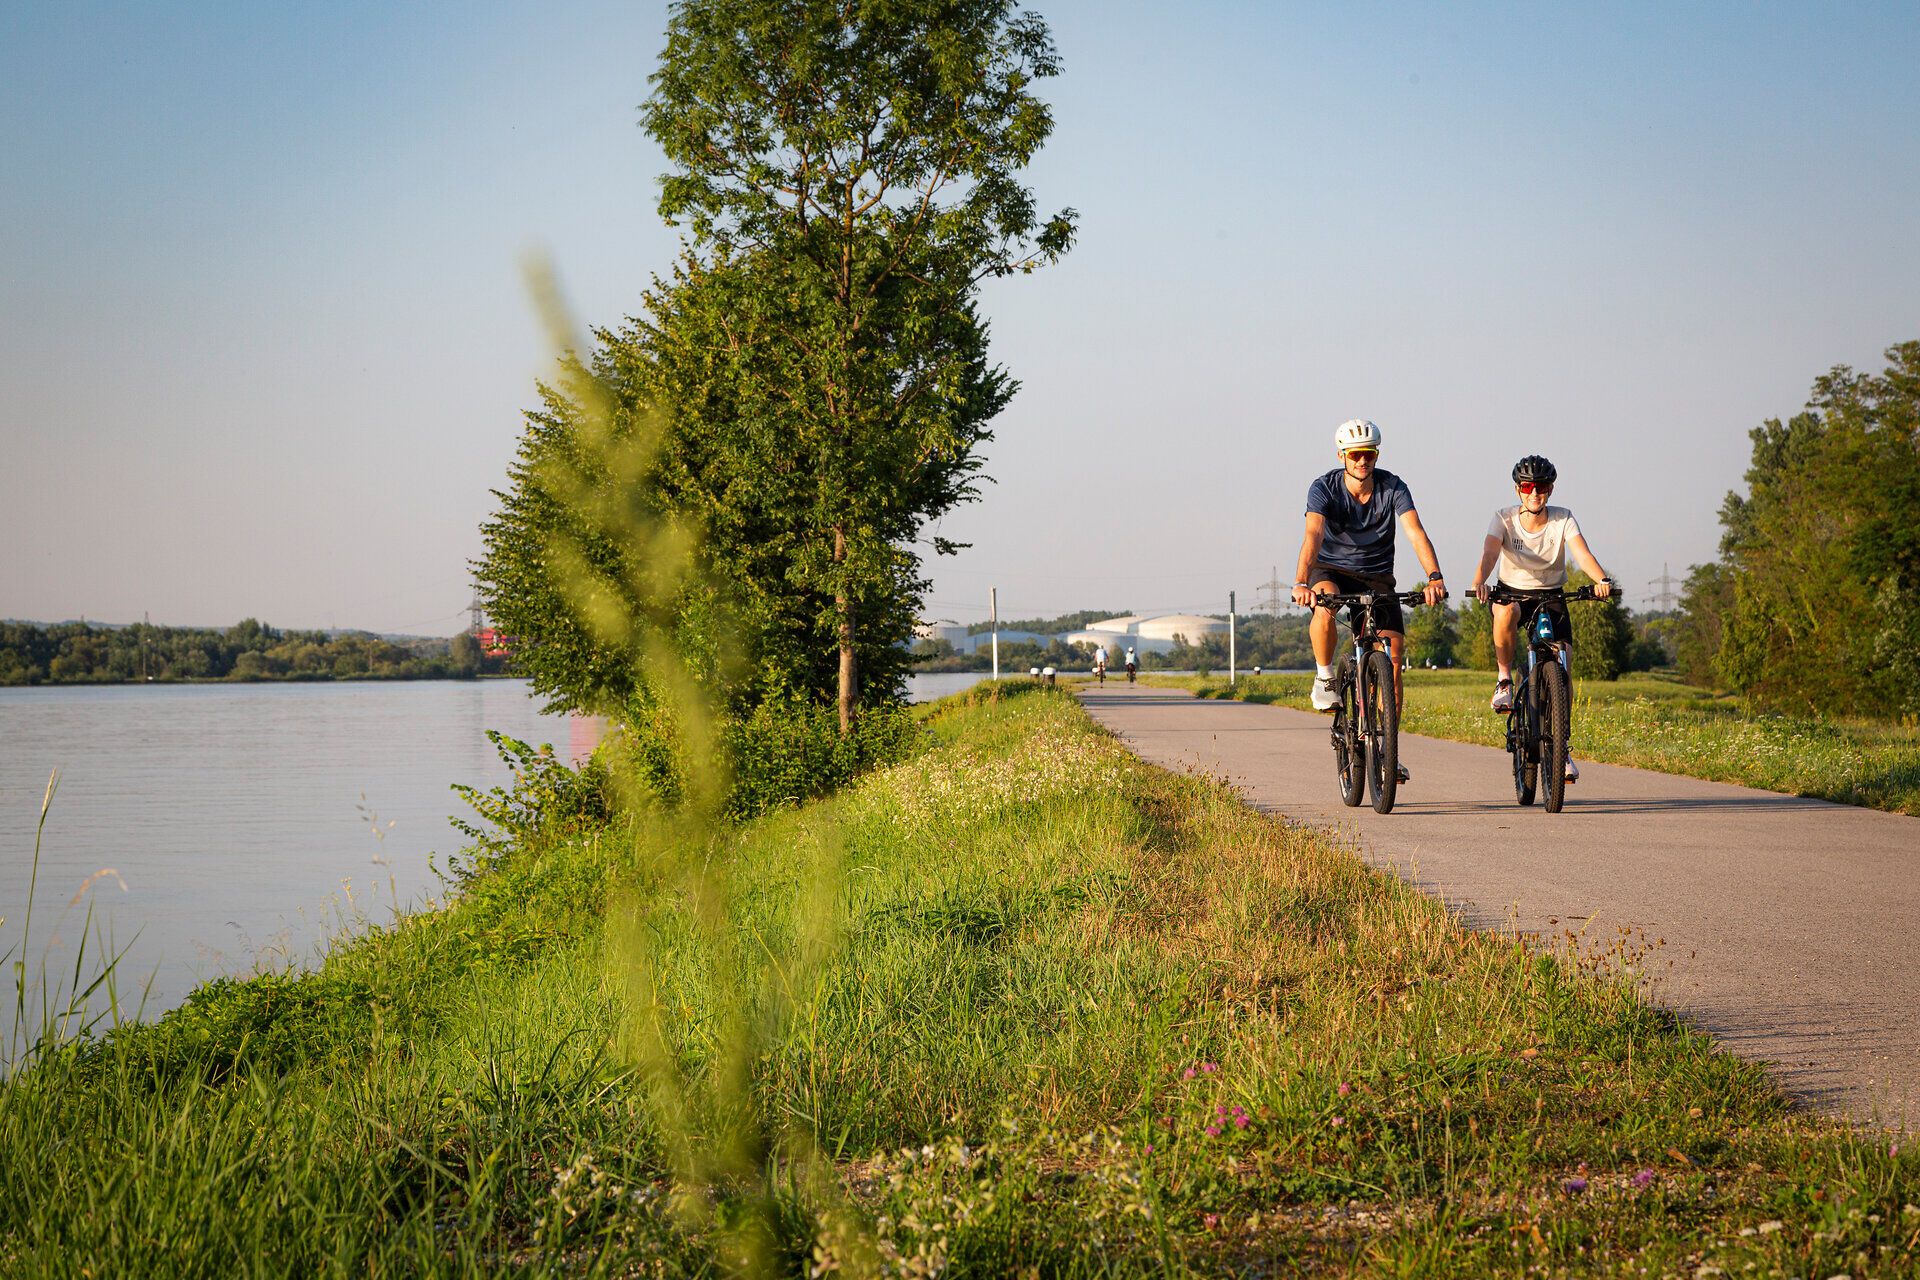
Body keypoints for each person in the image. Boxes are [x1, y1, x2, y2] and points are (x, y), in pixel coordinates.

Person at [1288, 419, 1447, 783]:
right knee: (1325, 604)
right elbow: (1313, 534)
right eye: (1356, 454)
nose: (1363, 461)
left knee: (1391, 659)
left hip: (1376, 576)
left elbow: (1415, 531)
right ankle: (1326, 677)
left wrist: (1435, 577)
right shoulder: (1323, 487)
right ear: (1342, 455)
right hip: (1330, 569)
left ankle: (1388, 750)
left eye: (1370, 454)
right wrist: (1301, 581)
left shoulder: (1393, 487)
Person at [1469, 454, 1616, 784]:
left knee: (1563, 667)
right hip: (1513, 593)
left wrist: (1601, 580)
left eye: (1543, 487)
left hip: (1552, 595)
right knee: (1504, 612)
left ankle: (1561, 748)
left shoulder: (1563, 519)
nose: (1535, 494)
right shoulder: (1504, 519)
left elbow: (1582, 553)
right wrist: (1480, 579)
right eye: (1528, 487)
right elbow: (1490, 553)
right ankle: (1504, 680)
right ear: (1518, 489)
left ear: (1551, 489)